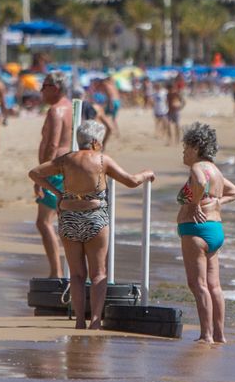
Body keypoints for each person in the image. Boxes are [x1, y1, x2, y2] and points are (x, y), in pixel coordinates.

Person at [28, 120, 154, 330]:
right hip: (94, 217)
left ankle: (79, 320)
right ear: (96, 142)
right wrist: (146, 173)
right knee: (99, 274)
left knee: (77, 275)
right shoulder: (102, 160)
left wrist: (58, 192)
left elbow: (34, 173)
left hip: (69, 217)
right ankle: (95, 320)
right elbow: (131, 181)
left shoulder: (66, 160)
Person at [175, 123, 235, 344]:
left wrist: (195, 204)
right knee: (214, 286)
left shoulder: (197, 168)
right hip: (215, 229)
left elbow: (201, 183)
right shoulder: (216, 171)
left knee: (198, 284)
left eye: (185, 147)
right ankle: (220, 334)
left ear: (196, 147)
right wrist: (215, 203)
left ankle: (206, 335)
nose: (183, 152)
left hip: (196, 231)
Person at [35, 72, 72, 279]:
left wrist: (42, 175)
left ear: (55, 88)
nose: (41, 90)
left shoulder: (56, 111)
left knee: (44, 222)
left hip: (55, 171)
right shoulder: (69, 107)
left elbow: (53, 144)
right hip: (66, 169)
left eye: (44, 86)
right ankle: (66, 270)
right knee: (61, 219)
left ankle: (56, 272)